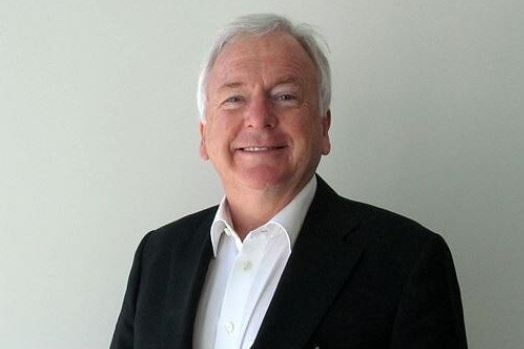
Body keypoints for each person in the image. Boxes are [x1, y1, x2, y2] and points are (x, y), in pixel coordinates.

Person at [110, 13, 468, 349]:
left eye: (285, 96)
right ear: (204, 135)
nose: (258, 118)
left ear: (324, 128)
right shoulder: (158, 256)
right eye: (234, 98)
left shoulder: (407, 261)